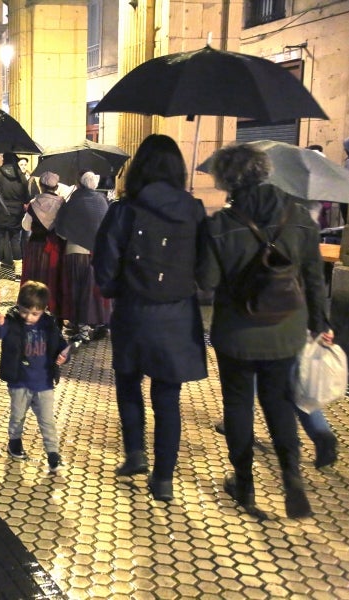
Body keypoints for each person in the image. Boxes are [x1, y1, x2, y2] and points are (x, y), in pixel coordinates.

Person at [198, 143, 332, 519]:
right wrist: (320, 323)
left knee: (238, 406)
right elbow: (314, 279)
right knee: (280, 404)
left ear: (227, 180)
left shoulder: (220, 225)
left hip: (236, 334)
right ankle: (291, 478)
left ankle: (244, 483)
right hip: (286, 331)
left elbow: (206, 282)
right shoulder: (301, 218)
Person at [92, 134, 208, 503]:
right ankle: (163, 479)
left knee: (129, 384)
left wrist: (115, 290)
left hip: (133, 312)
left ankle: (135, 455)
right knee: (167, 396)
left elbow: (106, 267)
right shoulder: (194, 210)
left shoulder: (124, 210)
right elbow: (206, 273)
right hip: (177, 315)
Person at [0, 281, 69, 473]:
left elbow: (60, 344)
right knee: (17, 416)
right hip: (19, 381)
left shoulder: (49, 324)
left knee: (47, 420)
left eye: (34, 313)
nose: (29, 317)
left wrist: (63, 356)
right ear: (18, 305)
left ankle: (53, 453)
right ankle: (14, 442)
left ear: (43, 310)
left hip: (44, 382)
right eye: (24, 311)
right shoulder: (12, 321)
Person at [55, 170, 112, 345]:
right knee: (91, 292)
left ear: (80, 183)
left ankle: (81, 327)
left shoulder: (74, 201)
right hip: (97, 253)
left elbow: (61, 228)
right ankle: (95, 324)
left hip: (76, 251)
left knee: (76, 289)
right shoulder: (102, 201)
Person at [21, 171, 66, 318]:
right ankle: (52, 308)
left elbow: (26, 226)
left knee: (35, 276)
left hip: (35, 246)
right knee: (52, 276)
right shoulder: (62, 203)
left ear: (41, 186)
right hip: (54, 246)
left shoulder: (34, 204)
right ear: (56, 186)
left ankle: (33, 306)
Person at [0, 152, 30, 279]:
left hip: (0, 211)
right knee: (15, 240)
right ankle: (17, 271)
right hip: (17, 213)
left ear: (4, 160)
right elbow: (26, 197)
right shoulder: (21, 176)